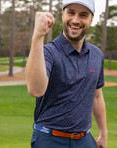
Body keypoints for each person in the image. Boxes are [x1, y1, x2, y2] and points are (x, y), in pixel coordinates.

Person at [26, 0, 107, 147]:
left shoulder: (96, 54)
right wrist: (37, 36)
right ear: (63, 14)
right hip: (49, 140)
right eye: (71, 12)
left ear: (91, 19)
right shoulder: (48, 52)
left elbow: (97, 95)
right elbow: (35, 90)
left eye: (83, 15)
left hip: (85, 141)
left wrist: (103, 133)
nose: (75, 20)